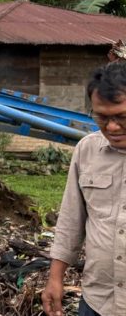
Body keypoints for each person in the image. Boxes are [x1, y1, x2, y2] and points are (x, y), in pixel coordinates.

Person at [42, 61, 126, 316]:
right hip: (98, 301)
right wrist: (55, 278)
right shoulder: (87, 150)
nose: (111, 127)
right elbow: (71, 219)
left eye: (122, 116)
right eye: (102, 117)